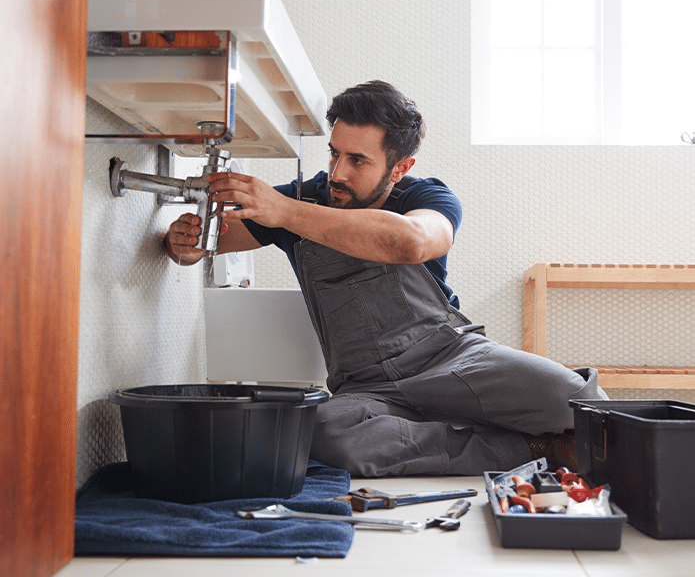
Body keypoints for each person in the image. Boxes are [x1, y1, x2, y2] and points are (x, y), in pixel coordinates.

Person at [165, 80, 608, 477]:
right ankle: (529, 447)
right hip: (365, 386)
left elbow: (413, 242)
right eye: (334, 153)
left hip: (452, 358)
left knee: (582, 403)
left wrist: (287, 212)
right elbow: (210, 241)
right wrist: (183, 242)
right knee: (322, 431)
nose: (337, 173)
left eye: (358, 160)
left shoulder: (426, 196)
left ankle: (454, 429)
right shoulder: (308, 198)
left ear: (399, 167)